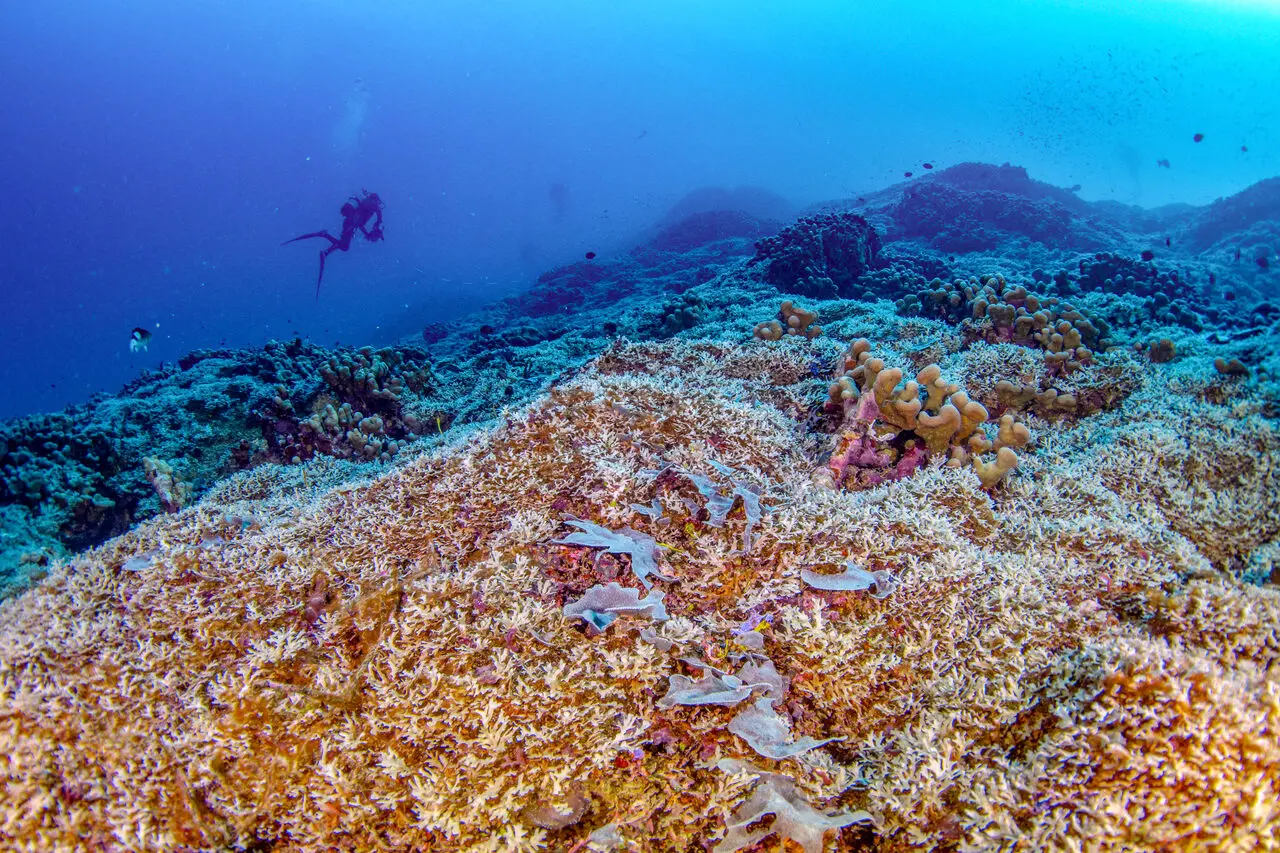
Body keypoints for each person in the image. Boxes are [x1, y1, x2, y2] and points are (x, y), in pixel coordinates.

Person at [283, 190, 385, 297]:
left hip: (350, 223)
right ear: (375, 199)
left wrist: (367, 233)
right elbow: (374, 210)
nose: (378, 204)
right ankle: (324, 235)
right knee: (344, 246)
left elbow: (360, 224)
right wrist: (379, 220)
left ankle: (326, 252)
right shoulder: (370, 203)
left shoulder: (366, 208)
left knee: (344, 246)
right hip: (350, 223)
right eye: (377, 201)